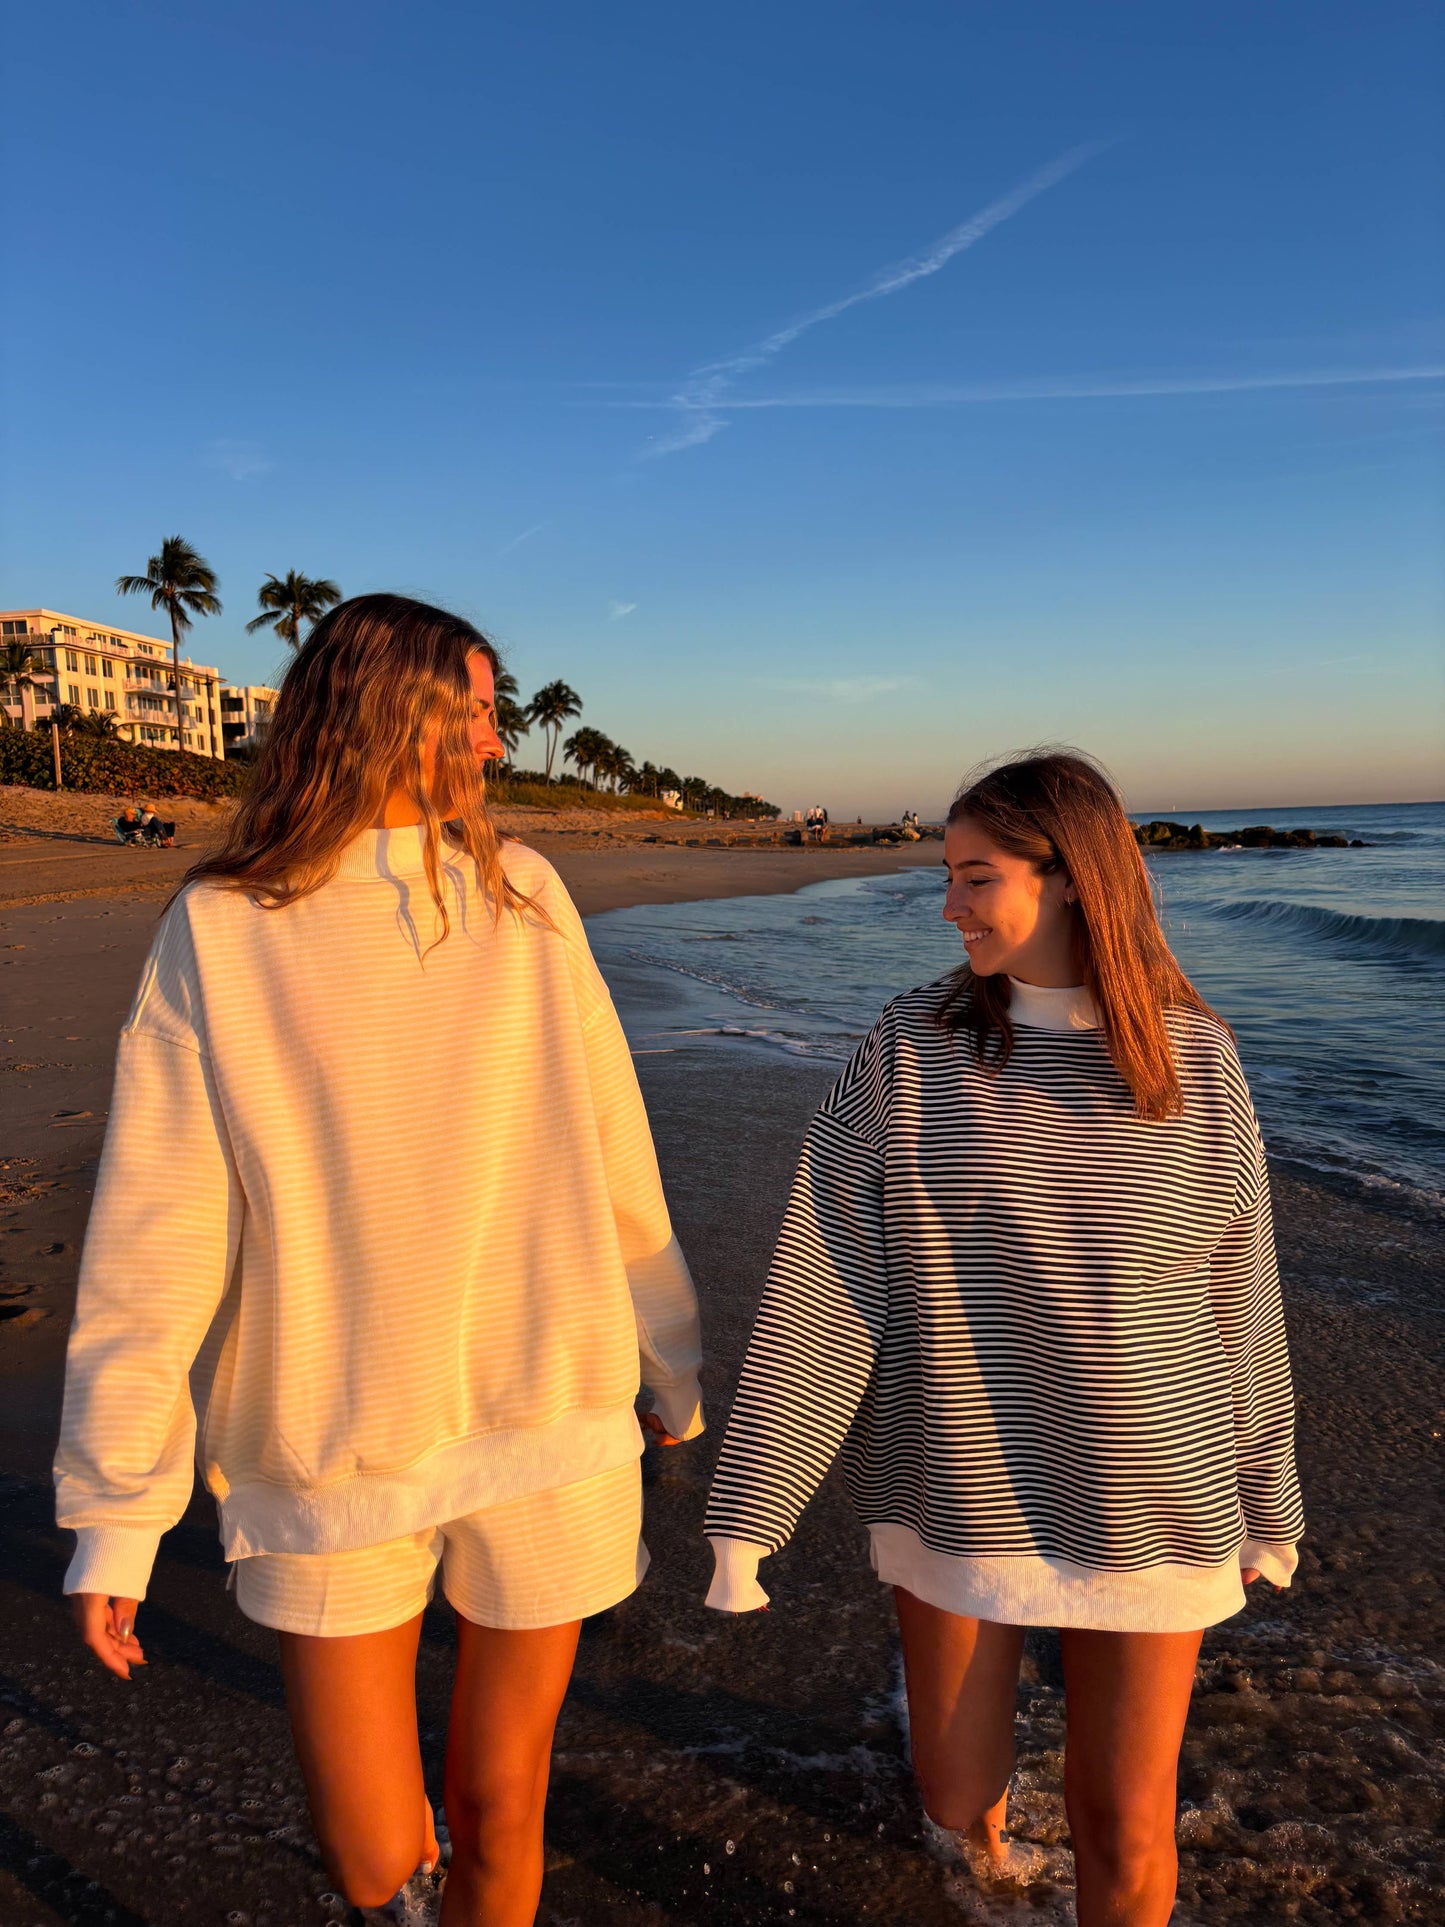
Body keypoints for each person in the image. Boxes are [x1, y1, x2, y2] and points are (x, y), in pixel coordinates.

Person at [55, 593, 704, 1924]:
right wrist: (118, 1510)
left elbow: (611, 1141)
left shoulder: (524, 893)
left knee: (500, 1807)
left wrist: (669, 1354)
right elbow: (156, 1226)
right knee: (370, 1847)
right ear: (375, 709)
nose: (490, 731)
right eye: (465, 703)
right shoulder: (228, 925)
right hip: (328, 1443)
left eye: (493, 704)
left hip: (550, 1421)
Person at [702, 748, 1303, 1927]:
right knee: (954, 1786)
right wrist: (748, 1512)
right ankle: (979, 1866)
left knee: (1122, 1826)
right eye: (945, 875)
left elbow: (1239, 1299)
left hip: (1153, 1492)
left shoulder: (1196, 1059)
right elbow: (827, 1279)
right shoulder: (908, 1046)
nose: (945, 904)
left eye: (973, 876)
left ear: (1071, 876)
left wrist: (1266, 1497)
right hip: (960, 1478)